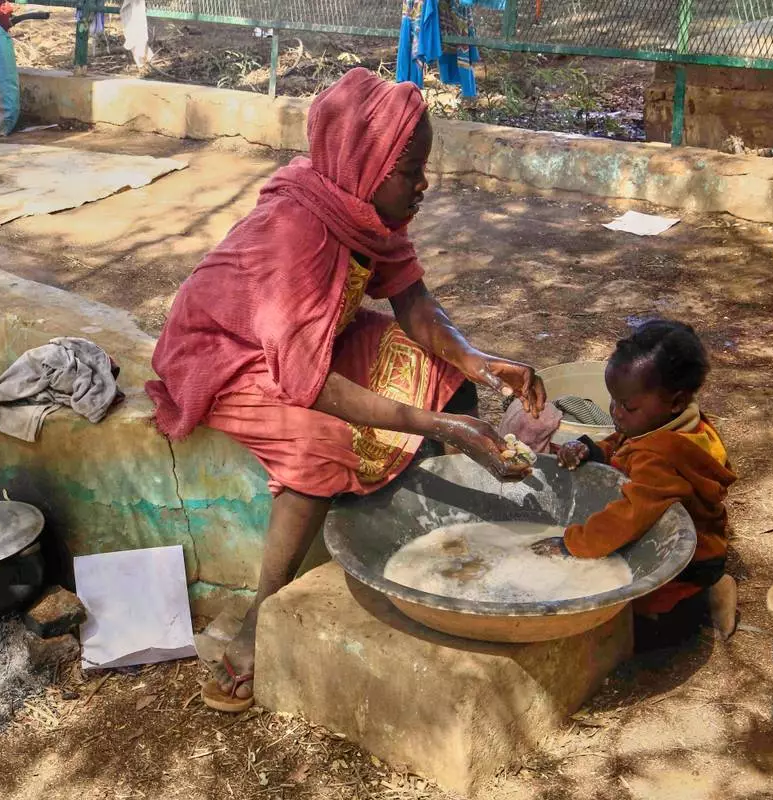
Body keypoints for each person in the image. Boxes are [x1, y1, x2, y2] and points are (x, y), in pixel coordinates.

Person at [146, 68, 546, 712]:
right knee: (321, 443)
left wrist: (481, 363)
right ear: (366, 165)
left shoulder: (366, 212)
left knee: (442, 374)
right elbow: (311, 386)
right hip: (226, 355)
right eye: (409, 171)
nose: (422, 184)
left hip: (313, 340)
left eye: (422, 168)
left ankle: (443, 539)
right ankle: (261, 617)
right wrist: (442, 427)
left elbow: (416, 305)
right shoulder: (296, 233)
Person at [533, 319, 738, 647]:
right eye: (613, 400)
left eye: (627, 406)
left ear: (675, 401)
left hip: (690, 560)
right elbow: (622, 445)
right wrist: (590, 449)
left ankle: (709, 594)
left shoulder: (660, 458)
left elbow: (629, 516)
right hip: (696, 539)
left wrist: (573, 544)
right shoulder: (674, 422)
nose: (615, 412)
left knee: (637, 625)